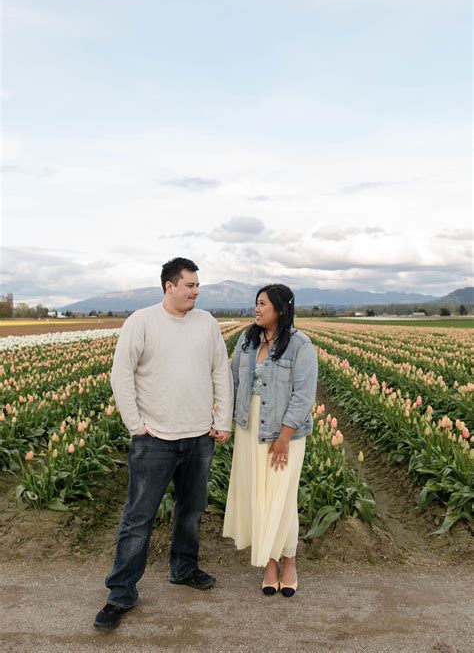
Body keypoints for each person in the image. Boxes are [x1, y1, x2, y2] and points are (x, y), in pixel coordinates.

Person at [94, 257, 233, 630]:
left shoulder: (206, 324)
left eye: (197, 285)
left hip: (199, 436)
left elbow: (221, 369)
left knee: (191, 510)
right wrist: (135, 425)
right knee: (139, 517)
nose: (196, 291)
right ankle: (121, 592)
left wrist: (222, 420)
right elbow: (120, 373)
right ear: (169, 286)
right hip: (155, 439)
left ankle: (183, 568)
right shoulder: (142, 321)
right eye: (190, 285)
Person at [223, 284, 317, 597]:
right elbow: (233, 380)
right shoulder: (247, 341)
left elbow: (304, 395)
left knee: (282, 496)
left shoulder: (300, 345)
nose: (257, 309)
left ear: (280, 309)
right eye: (256, 303)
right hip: (250, 429)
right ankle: (271, 564)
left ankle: (289, 562)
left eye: (262, 304)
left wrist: (284, 436)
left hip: (283, 432)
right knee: (260, 495)